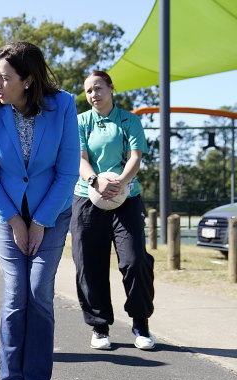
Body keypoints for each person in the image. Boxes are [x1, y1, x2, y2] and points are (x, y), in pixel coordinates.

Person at [0, 41, 80, 380]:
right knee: (17, 290)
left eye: (4, 78)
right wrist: (17, 221)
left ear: (28, 81)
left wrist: (39, 221)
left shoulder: (64, 105)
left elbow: (68, 172)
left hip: (51, 213)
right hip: (6, 214)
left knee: (39, 291)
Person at [73, 70, 155, 351]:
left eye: (98, 88)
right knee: (88, 263)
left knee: (135, 261)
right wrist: (95, 181)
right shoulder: (81, 122)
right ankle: (99, 327)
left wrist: (121, 182)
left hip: (126, 198)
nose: (94, 94)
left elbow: (136, 157)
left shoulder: (129, 120)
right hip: (87, 199)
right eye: (88, 91)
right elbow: (80, 159)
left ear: (111, 88)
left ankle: (140, 322)